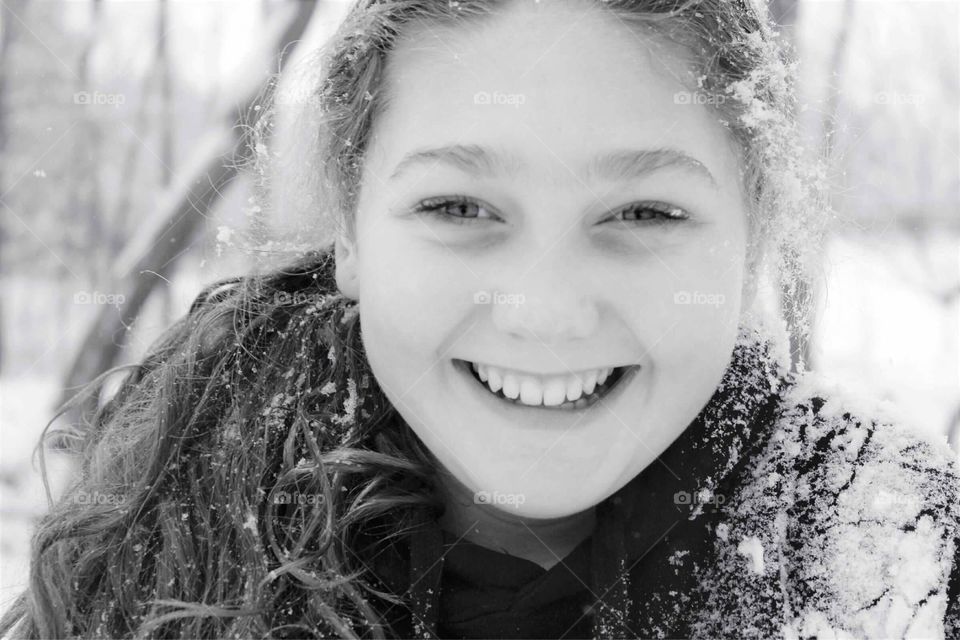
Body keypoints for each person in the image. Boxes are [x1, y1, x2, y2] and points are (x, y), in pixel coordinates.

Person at [3, 0, 958, 638]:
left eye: (644, 213)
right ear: (352, 235)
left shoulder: (910, 565)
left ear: (749, 246)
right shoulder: (152, 544)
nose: (543, 314)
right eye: (460, 208)